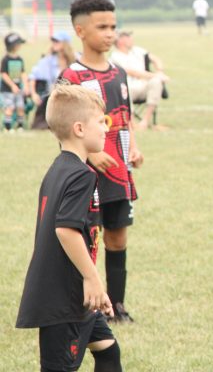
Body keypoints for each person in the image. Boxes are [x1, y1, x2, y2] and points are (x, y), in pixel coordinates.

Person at [16, 83, 123, 371]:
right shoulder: (81, 176)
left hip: (75, 293)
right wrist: (93, 278)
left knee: (109, 351)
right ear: (78, 129)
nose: (106, 129)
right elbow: (65, 229)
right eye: (101, 122)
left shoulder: (60, 168)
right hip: (64, 296)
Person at [62, 0, 143, 324]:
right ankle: (87, 307)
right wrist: (93, 153)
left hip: (119, 173)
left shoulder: (119, 74)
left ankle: (117, 305)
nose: (110, 33)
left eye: (113, 26)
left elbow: (126, 118)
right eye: (102, 27)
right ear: (80, 30)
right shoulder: (73, 76)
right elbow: (64, 128)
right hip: (87, 177)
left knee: (118, 237)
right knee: (88, 238)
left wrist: (133, 148)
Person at [110, 29, 169, 131]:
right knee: (124, 88)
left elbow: (155, 59)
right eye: (127, 37)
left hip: (143, 86)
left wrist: (159, 71)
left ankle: (145, 121)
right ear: (120, 41)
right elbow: (132, 72)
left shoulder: (138, 51)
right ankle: (132, 123)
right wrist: (155, 75)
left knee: (156, 82)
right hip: (128, 88)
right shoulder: (115, 57)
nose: (131, 39)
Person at [1, 32, 31, 131]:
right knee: (10, 107)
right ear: (13, 45)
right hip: (7, 90)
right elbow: (4, 74)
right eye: (18, 44)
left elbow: (22, 73)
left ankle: (20, 126)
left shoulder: (19, 59)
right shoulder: (5, 59)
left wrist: (26, 85)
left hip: (18, 89)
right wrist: (12, 85)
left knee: (20, 107)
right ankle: (8, 127)